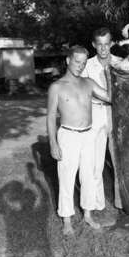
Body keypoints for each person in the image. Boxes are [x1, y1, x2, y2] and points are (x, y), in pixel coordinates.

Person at [47, 45, 111, 235]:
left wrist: (109, 75)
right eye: (77, 62)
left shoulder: (88, 82)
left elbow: (109, 97)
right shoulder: (56, 87)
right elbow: (51, 116)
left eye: (83, 63)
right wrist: (53, 143)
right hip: (68, 135)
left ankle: (88, 214)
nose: (80, 66)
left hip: (88, 135)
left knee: (89, 176)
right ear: (68, 61)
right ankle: (66, 219)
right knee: (66, 178)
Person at [81, 27, 122, 225]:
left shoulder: (120, 63)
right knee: (95, 162)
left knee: (120, 162)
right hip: (96, 112)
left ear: (112, 44)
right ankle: (97, 205)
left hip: (116, 115)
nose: (103, 48)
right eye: (99, 45)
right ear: (94, 45)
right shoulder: (87, 66)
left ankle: (123, 204)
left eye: (107, 44)